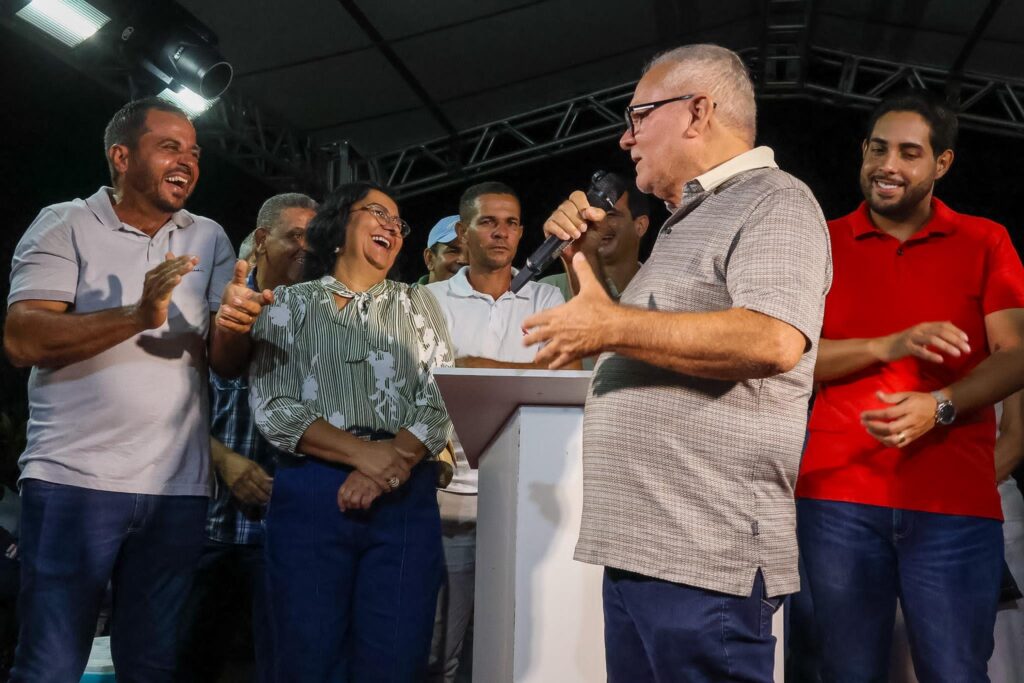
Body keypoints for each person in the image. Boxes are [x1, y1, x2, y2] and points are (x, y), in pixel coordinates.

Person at [523, 44, 832, 681]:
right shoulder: (683, 221)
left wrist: (612, 324)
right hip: (644, 549)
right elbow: (630, 337)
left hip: (705, 557)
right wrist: (581, 264)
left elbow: (773, 339)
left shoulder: (774, 200)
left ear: (697, 113)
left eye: (639, 116)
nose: (625, 137)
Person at [3, 97, 268, 682]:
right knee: (50, 664)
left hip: (178, 490)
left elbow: (225, 367)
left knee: (151, 665)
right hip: (74, 480)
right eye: (169, 147)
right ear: (121, 157)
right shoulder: (66, 223)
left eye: (194, 152)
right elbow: (22, 339)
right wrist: (137, 315)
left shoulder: (208, 237)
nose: (188, 161)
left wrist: (233, 325)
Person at [795, 90, 1024, 682]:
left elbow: (1017, 355)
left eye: (908, 152)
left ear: (941, 163)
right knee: (844, 673)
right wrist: (886, 345)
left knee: (955, 673)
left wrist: (940, 406)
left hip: (953, 503)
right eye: (877, 149)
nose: (887, 165)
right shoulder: (821, 241)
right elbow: (789, 356)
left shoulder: (985, 240)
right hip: (837, 499)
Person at [247, 181, 455, 682]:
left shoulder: (417, 303)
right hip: (312, 490)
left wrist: (388, 466)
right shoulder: (288, 304)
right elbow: (274, 405)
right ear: (339, 223)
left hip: (403, 495)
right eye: (377, 212)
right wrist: (367, 455)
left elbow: (441, 397)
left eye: (398, 222)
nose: (391, 226)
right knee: (308, 654)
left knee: (396, 657)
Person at [424, 182, 567, 682]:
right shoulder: (428, 299)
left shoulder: (546, 296)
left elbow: (563, 377)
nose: (501, 233)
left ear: (522, 232)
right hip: (449, 499)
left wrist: (470, 367)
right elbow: (420, 384)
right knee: (440, 648)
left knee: (513, 646)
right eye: (488, 222)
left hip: (524, 498)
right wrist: (525, 373)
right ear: (463, 232)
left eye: (510, 223)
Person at [177, 192, 317, 682]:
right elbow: (172, 404)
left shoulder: (321, 314)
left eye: (314, 238)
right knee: (187, 662)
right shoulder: (217, 302)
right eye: (295, 235)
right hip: (208, 524)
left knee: (280, 665)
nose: (306, 247)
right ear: (261, 239)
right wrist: (223, 460)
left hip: (282, 530)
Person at [540, 172, 650, 302]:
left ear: (640, 226)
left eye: (611, 215)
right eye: (591, 215)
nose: (599, 222)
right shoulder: (548, 289)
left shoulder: (660, 284)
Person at [419, 215, 467, 285]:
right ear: (430, 258)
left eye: (472, 253)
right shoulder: (403, 292)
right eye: (453, 251)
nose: (465, 260)